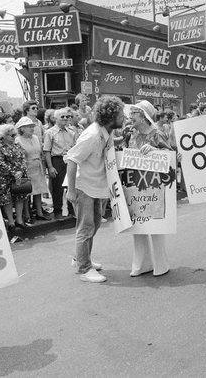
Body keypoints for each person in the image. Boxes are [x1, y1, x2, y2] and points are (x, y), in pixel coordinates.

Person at [67, 95, 125, 283]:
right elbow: (72, 159)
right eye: (120, 114)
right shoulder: (92, 135)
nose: (123, 117)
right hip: (84, 187)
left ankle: (81, 258)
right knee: (85, 228)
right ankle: (84, 268)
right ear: (111, 116)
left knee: (96, 224)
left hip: (94, 186)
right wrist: (72, 190)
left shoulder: (105, 132)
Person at [127, 100, 172, 277]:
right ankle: (141, 264)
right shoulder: (132, 134)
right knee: (137, 227)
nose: (130, 118)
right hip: (135, 183)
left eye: (134, 115)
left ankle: (161, 264)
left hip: (153, 184)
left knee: (155, 225)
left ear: (144, 116)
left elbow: (171, 157)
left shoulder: (157, 134)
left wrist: (154, 151)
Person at [0, 124, 29, 238]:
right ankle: (11, 221)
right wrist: (14, 172)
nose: (14, 137)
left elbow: (24, 158)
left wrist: (20, 171)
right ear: (4, 136)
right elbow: (0, 163)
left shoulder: (17, 145)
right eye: (12, 135)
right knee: (6, 198)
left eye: (15, 135)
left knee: (20, 196)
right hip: (5, 177)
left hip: (19, 176)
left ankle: (19, 219)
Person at [43, 108, 77, 221]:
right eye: (62, 117)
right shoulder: (50, 132)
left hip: (69, 159)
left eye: (67, 116)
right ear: (56, 118)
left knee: (71, 185)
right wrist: (50, 167)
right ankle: (57, 211)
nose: (65, 119)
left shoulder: (71, 132)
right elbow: (47, 151)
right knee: (57, 187)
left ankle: (72, 210)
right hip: (57, 160)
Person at [15, 117, 50, 222]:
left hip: (37, 166)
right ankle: (27, 215)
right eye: (29, 126)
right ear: (21, 129)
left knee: (38, 190)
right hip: (27, 167)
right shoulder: (18, 140)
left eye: (32, 126)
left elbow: (39, 152)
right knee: (27, 192)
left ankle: (39, 212)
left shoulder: (35, 138)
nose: (32, 128)